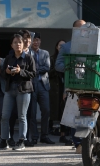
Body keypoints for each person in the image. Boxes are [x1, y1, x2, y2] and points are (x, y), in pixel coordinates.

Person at [0, 34, 36, 151]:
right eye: (15, 42)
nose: (17, 44)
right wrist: (7, 72)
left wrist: (20, 71)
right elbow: (2, 73)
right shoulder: (9, 57)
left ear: (23, 45)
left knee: (22, 116)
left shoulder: (28, 58)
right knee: (4, 116)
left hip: (23, 90)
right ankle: (4, 140)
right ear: (11, 45)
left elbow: (33, 74)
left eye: (20, 42)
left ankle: (21, 141)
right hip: (10, 89)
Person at [55, 19, 86, 154]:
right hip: (73, 86)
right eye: (80, 28)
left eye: (85, 28)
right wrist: (71, 68)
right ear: (74, 31)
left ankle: (90, 141)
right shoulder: (66, 47)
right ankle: (78, 143)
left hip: (92, 86)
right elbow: (58, 65)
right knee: (75, 116)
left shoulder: (94, 44)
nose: (83, 31)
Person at [29, 32, 55, 144]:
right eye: (34, 40)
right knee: (32, 112)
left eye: (38, 40)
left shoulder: (45, 53)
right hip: (31, 85)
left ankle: (44, 135)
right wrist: (36, 70)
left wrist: (34, 71)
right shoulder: (27, 53)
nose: (36, 42)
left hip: (43, 84)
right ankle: (34, 136)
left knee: (46, 110)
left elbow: (47, 67)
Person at [49, 39, 73, 145]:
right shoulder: (53, 59)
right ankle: (55, 131)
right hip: (56, 88)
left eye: (63, 45)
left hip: (65, 86)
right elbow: (49, 71)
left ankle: (65, 133)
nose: (61, 47)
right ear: (56, 47)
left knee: (65, 111)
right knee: (55, 110)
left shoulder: (69, 57)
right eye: (60, 46)